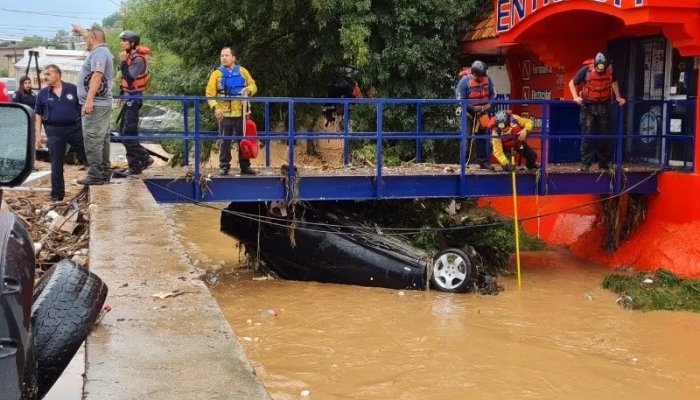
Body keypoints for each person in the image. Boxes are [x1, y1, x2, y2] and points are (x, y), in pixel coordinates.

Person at [34, 65, 87, 202]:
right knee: (56, 164)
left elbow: (83, 106)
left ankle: (93, 183)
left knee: (87, 156)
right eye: (44, 74)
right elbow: (38, 114)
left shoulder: (72, 89)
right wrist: (38, 135)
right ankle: (57, 195)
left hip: (74, 129)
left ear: (57, 75)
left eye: (48, 74)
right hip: (54, 131)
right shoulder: (43, 93)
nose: (45, 77)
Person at [568, 52, 626, 172]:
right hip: (588, 107)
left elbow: (614, 82)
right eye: (598, 68)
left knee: (604, 136)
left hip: (604, 107)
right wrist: (575, 97)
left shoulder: (610, 71)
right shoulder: (585, 71)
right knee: (587, 136)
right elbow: (571, 83)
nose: (599, 70)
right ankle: (585, 164)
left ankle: (604, 163)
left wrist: (618, 97)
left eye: (602, 69)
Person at [72, 24, 115, 185]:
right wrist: (82, 31)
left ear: (93, 39)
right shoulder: (101, 50)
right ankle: (104, 171)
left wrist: (89, 100)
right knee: (102, 138)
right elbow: (92, 36)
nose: (85, 41)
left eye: (86, 39)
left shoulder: (99, 53)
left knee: (92, 138)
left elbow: (97, 75)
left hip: (95, 104)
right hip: (101, 103)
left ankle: (95, 174)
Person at [205, 46, 258, 175]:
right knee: (225, 141)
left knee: (244, 141)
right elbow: (209, 93)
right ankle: (224, 166)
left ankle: (245, 166)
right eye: (222, 55)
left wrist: (249, 90)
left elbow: (253, 85)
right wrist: (215, 108)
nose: (224, 58)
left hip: (242, 113)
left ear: (233, 58)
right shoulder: (216, 74)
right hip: (224, 114)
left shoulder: (243, 71)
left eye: (227, 55)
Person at [117, 30, 154, 175]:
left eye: (124, 41)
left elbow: (130, 78)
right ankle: (137, 163)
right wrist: (121, 94)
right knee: (123, 132)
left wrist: (122, 62)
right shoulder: (129, 56)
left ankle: (142, 160)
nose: (121, 43)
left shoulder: (138, 59)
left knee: (128, 133)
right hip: (128, 98)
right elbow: (125, 81)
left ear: (132, 43)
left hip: (134, 99)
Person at [455, 60, 496, 170]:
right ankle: (463, 162)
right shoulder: (464, 82)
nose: (483, 78)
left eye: (484, 75)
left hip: (482, 112)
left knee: (482, 137)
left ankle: (483, 162)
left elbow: (493, 94)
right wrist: (473, 108)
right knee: (466, 136)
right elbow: (460, 100)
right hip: (467, 112)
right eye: (481, 76)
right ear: (475, 74)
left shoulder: (488, 80)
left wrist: (489, 104)